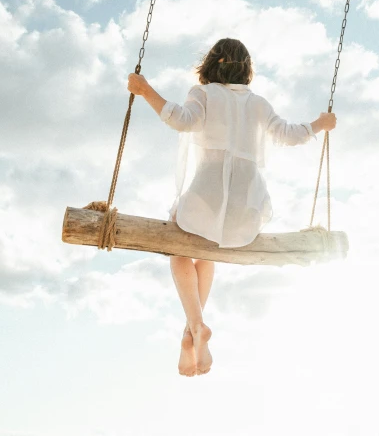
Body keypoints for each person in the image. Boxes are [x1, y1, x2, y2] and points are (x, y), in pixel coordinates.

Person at [127, 37, 337, 377]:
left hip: (206, 198)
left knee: (179, 250)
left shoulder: (205, 94)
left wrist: (144, 88)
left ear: (213, 62)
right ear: (246, 69)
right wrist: (320, 124)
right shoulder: (258, 104)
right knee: (207, 253)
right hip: (246, 211)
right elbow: (290, 134)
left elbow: (180, 120)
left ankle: (195, 326)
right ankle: (192, 331)